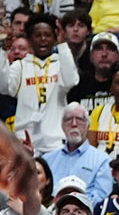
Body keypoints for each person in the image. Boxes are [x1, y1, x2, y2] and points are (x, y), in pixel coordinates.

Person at [0, 15, 78, 155]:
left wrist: (63, 45)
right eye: (37, 35)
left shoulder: (60, 63)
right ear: (30, 40)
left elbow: (70, 81)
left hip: (56, 140)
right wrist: (3, 52)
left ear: (54, 39)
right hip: (25, 140)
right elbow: (3, 86)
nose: (43, 39)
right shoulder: (20, 66)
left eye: (47, 35)